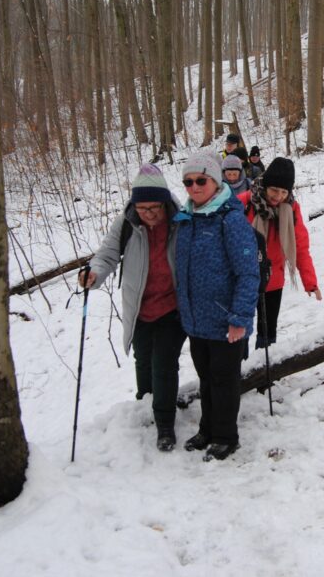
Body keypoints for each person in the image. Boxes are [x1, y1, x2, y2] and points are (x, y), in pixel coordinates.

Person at [79, 164, 186, 452]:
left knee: (164, 363)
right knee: (143, 358)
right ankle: (146, 403)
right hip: (139, 306)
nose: (149, 213)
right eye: (142, 207)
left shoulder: (180, 220)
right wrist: (94, 274)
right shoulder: (126, 223)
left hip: (172, 306)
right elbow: (107, 254)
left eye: (154, 207)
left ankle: (164, 423)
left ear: (165, 202)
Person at [173, 152, 259, 461]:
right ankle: (207, 429)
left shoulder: (231, 219)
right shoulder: (187, 219)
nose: (194, 187)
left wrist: (239, 317)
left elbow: (248, 272)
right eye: (188, 182)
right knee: (207, 379)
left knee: (225, 381)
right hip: (197, 321)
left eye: (200, 181)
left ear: (215, 181)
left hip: (226, 320)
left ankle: (226, 435)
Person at [237, 157, 321, 348]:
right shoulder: (243, 203)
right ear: (265, 185)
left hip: (272, 278)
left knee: (268, 331)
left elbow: (300, 246)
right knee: (240, 330)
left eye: (284, 192)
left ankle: (265, 372)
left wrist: (310, 282)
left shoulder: (291, 209)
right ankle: (239, 371)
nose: (278, 196)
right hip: (243, 279)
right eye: (274, 190)